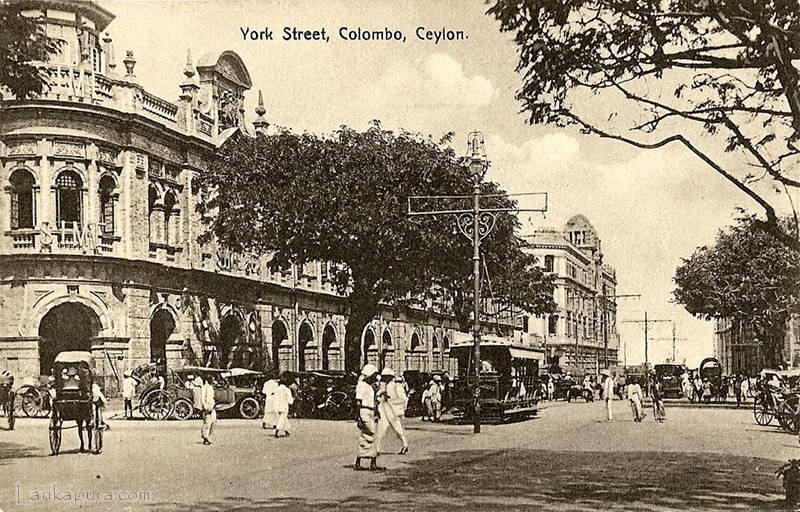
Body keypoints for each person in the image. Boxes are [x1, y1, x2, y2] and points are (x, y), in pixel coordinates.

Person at [375, 368, 409, 455]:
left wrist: (392, 402)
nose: (385, 379)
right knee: (381, 430)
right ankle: (377, 449)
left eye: (386, 377)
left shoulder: (395, 386)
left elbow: (402, 399)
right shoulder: (383, 386)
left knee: (398, 429)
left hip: (392, 410)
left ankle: (405, 445)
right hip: (383, 409)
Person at [355, 364, 381, 471]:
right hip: (364, 411)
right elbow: (358, 402)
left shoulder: (370, 386)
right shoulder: (361, 385)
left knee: (369, 436)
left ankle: (368, 462)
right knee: (371, 435)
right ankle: (367, 462)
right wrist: (358, 417)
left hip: (370, 411)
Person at [274, 374, 294, 438]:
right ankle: (277, 431)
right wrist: (293, 400)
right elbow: (290, 401)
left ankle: (287, 431)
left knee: (284, 419)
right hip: (284, 406)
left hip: (277, 405)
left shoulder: (277, 389)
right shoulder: (287, 390)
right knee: (282, 419)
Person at [199, 376, 216, 445]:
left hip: (212, 405)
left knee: (213, 420)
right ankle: (205, 438)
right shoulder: (204, 388)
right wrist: (205, 406)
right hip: (207, 405)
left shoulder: (210, 387)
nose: (212, 381)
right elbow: (202, 398)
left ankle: (207, 436)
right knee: (207, 422)